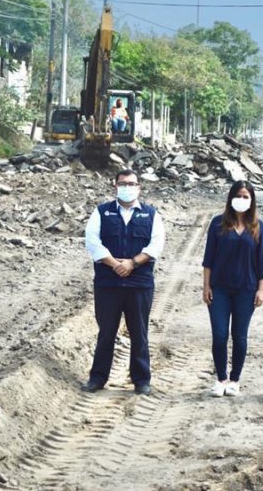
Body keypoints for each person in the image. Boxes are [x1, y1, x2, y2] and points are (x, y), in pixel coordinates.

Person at [82, 169, 166, 395]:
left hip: (139, 284)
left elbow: (155, 245)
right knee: (106, 332)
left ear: (139, 187)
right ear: (115, 185)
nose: (127, 187)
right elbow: (93, 242)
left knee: (139, 332)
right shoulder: (101, 212)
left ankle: (141, 380)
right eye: (122, 183)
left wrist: (132, 263)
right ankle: (97, 378)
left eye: (131, 183)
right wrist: (115, 264)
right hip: (108, 284)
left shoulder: (151, 215)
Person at [202, 181, 263, 397]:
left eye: (246, 196)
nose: (242, 200)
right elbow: (208, 259)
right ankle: (221, 378)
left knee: (239, 336)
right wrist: (206, 286)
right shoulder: (218, 224)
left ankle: (235, 379)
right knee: (220, 335)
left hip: (246, 290)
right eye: (238, 195)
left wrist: (261, 290)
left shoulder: (258, 227)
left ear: (252, 200)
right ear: (231, 198)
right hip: (219, 289)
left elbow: (262, 262)